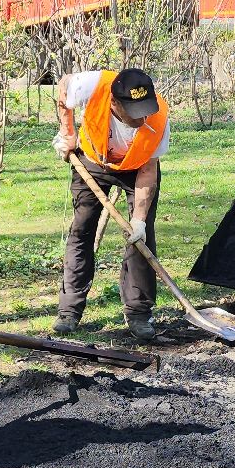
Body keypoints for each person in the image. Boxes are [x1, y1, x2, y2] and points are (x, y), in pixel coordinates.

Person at [51, 66, 169, 341]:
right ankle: (69, 312)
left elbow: (148, 170)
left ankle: (139, 314)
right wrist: (67, 134)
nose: (143, 117)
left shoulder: (160, 117)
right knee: (81, 230)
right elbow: (64, 88)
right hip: (93, 159)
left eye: (145, 108)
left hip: (136, 168)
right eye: (135, 111)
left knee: (141, 237)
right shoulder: (92, 85)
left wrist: (138, 220)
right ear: (115, 103)